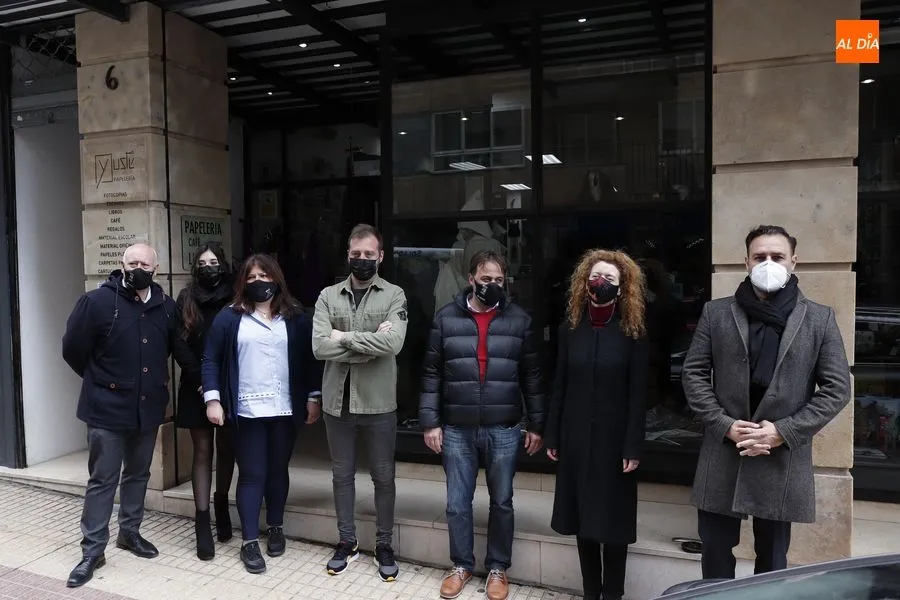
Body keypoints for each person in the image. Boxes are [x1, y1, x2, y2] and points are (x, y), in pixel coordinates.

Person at [682, 225, 851, 580]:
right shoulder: (717, 313)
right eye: (760, 257)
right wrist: (722, 424)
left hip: (780, 457)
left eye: (777, 256)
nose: (768, 263)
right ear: (746, 261)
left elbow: (837, 388)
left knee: (773, 561)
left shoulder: (819, 318)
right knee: (714, 551)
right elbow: (693, 374)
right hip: (724, 451)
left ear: (794, 261)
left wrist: (783, 431)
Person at [420, 250, 544, 600]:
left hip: (503, 427)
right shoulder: (446, 319)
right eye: (486, 279)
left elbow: (532, 377)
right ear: (471, 278)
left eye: (499, 280)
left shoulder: (520, 320)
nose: (492, 285)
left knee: (502, 501)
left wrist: (536, 423)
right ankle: (460, 565)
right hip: (457, 427)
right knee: (457, 503)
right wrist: (430, 422)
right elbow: (431, 375)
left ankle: (497, 568)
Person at [61, 243, 177, 588]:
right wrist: (100, 382)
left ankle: (130, 533)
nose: (138, 267)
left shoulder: (166, 307)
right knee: (102, 480)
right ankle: (93, 550)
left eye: (145, 263)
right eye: (132, 262)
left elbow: (167, 351)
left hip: (147, 408)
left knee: (138, 474)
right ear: (121, 264)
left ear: (156, 270)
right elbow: (72, 349)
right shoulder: (96, 302)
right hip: (106, 409)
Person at [201, 254, 323, 574]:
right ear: (243, 282)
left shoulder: (296, 317)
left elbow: (311, 361)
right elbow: (211, 359)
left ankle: (276, 527)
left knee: (278, 469)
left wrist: (313, 397)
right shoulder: (230, 317)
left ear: (277, 279)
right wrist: (213, 400)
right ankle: (250, 541)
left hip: (285, 407)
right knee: (253, 473)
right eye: (252, 277)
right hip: (247, 410)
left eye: (264, 276)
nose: (258, 282)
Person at [544, 249, 648, 600]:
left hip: (615, 442)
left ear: (622, 289)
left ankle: (613, 594)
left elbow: (638, 395)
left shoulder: (633, 333)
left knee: (614, 523)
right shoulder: (570, 330)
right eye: (595, 277)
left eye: (609, 280)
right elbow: (559, 385)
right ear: (584, 284)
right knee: (582, 518)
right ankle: (591, 592)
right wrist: (553, 434)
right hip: (575, 437)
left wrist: (633, 444)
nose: (600, 284)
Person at [312, 224, 408, 582]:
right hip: (338, 405)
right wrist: (368, 343)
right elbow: (320, 347)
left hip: (379, 404)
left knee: (384, 477)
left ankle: (384, 545)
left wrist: (345, 338)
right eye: (357, 254)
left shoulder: (394, 295)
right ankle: (347, 542)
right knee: (342, 476)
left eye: (370, 254)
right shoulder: (327, 296)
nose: (362, 260)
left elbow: (394, 345)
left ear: (380, 256)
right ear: (348, 254)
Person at [172, 244, 236, 560]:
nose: (208, 266)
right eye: (202, 262)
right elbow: (178, 342)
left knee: (227, 449)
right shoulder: (186, 298)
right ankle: (201, 521)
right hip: (196, 385)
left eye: (214, 262)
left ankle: (222, 504)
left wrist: (220, 384)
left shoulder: (236, 297)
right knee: (202, 451)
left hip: (229, 385)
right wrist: (202, 381)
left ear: (223, 265)